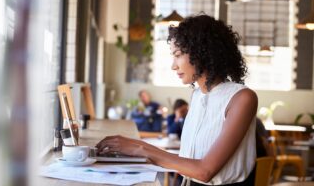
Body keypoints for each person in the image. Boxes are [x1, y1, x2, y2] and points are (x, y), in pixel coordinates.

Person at [96, 14, 258, 185]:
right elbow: (187, 162)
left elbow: (204, 171)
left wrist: (140, 148)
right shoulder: (197, 96)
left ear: (202, 51)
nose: (174, 65)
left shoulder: (241, 98)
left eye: (178, 54)